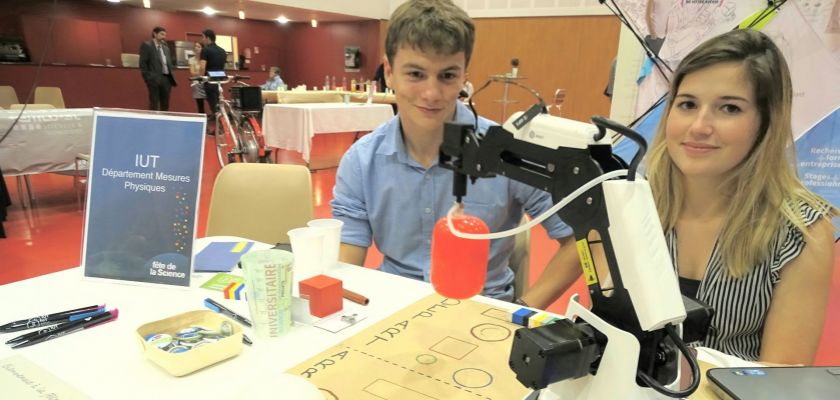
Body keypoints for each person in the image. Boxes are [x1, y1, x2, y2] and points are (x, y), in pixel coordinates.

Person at [330, 0, 581, 305]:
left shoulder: (504, 151)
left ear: (464, 76)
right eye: (415, 74)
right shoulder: (361, 161)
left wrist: (522, 312)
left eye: (447, 76)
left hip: (482, 310)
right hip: (393, 305)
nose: (432, 93)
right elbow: (348, 254)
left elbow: (579, 241)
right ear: (389, 72)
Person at [138, 26, 177, 111]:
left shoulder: (166, 48)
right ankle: (153, 122)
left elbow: (168, 63)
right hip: (153, 78)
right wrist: (148, 78)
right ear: (154, 34)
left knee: (165, 103)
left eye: (165, 35)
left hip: (166, 79)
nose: (164, 37)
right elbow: (142, 63)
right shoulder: (147, 45)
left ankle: (165, 121)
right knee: (154, 102)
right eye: (162, 34)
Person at [199, 29, 227, 117]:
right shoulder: (222, 51)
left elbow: (202, 67)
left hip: (210, 81)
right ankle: (223, 124)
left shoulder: (205, 50)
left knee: (214, 107)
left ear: (208, 38)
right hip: (220, 80)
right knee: (219, 104)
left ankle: (220, 127)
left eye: (202, 37)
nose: (201, 40)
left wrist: (200, 78)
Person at [189, 42, 207, 115]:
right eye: (195, 46)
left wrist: (199, 72)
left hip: (206, 82)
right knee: (200, 105)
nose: (196, 48)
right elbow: (192, 73)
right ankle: (202, 120)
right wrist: (201, 73)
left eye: (198, 47)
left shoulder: (206, 58)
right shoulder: (192, 59)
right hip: (197, 83)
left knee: (213, 102)